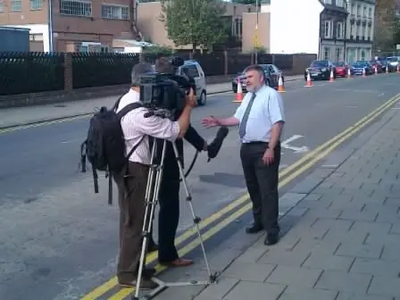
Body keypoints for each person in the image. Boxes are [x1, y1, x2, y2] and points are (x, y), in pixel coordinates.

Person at [113, 62, 197, 289]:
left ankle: (136, 266)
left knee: (133, 220)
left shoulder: (127, 100)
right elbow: (175, 131)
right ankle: (128, 274)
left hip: (126, 168)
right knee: (135, 223)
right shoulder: (139, 113)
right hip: (136, 171)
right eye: (154, 80)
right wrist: (188, 107)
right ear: (144, 82)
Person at [201, 64, 285, 246]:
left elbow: (277, 124)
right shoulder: (248, 97)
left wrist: (271, 148)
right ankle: (259, 221)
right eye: (245, 78)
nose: (246, 81)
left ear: (261, 78)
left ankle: (272, 229)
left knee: (267, 191)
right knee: (253, 188)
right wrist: (219, 122)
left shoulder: (271, 95)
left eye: (250, 77)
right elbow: (237, 119)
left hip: (264, 148)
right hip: (247, 149)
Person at [147, 56, 209, 267]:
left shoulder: (148, 90)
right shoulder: (174, 89)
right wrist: (187, 106)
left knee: (146, 204)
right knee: (169, 206)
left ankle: (145, 245)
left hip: (144, 157)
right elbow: (182, 128)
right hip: (168, 157)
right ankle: (167, 254)